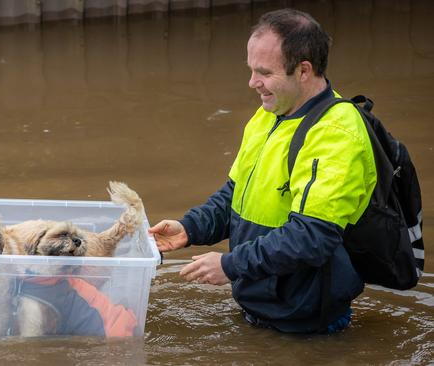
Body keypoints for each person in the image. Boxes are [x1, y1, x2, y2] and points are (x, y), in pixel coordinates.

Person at [149, 8, 376, 333]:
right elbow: (236, 194)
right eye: (251, 70)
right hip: (262, 299)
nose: (253, 83)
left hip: (307, 321)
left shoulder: (337, 134)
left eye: (264, 73)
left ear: (303, 71)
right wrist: (190, 229)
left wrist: (231, 265)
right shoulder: (270, 112)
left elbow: (312, 236)